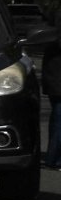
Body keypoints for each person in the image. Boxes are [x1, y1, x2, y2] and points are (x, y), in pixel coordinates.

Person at [43, 28, 61, 170]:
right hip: (57, 84)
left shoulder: (53, 39)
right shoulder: (55, 41)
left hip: (55, 84)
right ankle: (54, 158)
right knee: (58, 122)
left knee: (57, 121)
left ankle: (53, 158)